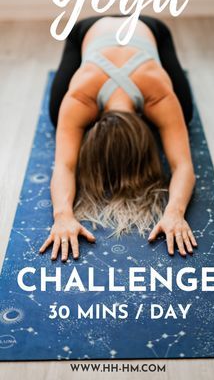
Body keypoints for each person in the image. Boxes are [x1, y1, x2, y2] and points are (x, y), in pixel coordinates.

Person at [39, 14, 197, 262]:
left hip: (149, 30)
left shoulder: (159, 95)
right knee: (56, 114)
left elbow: (184, 166)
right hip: (88, 32)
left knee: (185, 114)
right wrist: (62, 215)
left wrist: (175, 212)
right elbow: (64, 166)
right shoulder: (80, 96)